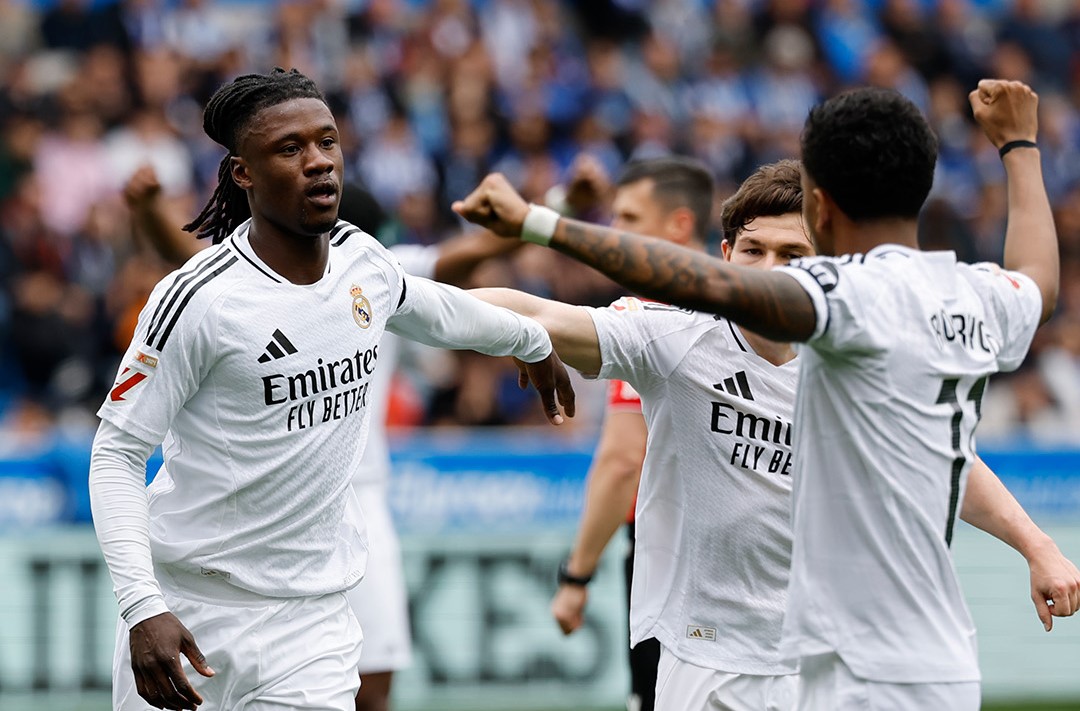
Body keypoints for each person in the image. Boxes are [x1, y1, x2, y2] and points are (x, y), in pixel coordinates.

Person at [454, 80, 1080, 709]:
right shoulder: (961, 298)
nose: (771, 271)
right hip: (724, 658)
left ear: (824, 215)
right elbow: (1037, 285)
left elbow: (704, 283)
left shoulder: (842, 308)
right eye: (752, 251)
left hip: (837, 662)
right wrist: (1019, 146)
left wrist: (540, 224)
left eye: (791, 254)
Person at [90, 67, 573, 711]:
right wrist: (142, 606)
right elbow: (117, 454)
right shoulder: (200, 299)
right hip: (192, 608)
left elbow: (437, 309)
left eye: (327, 141)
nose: (318, 162)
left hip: (311, 625)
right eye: (289, 149)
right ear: (243, 173)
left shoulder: (361, 260)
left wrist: (531, 339)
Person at [548, 155, 715, 711]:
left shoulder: (658, 318)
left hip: (672, 561)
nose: (614, 233)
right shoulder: (751, 311)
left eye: (629, 218)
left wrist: (576, 576)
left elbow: (624, 460)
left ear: (679, 224)